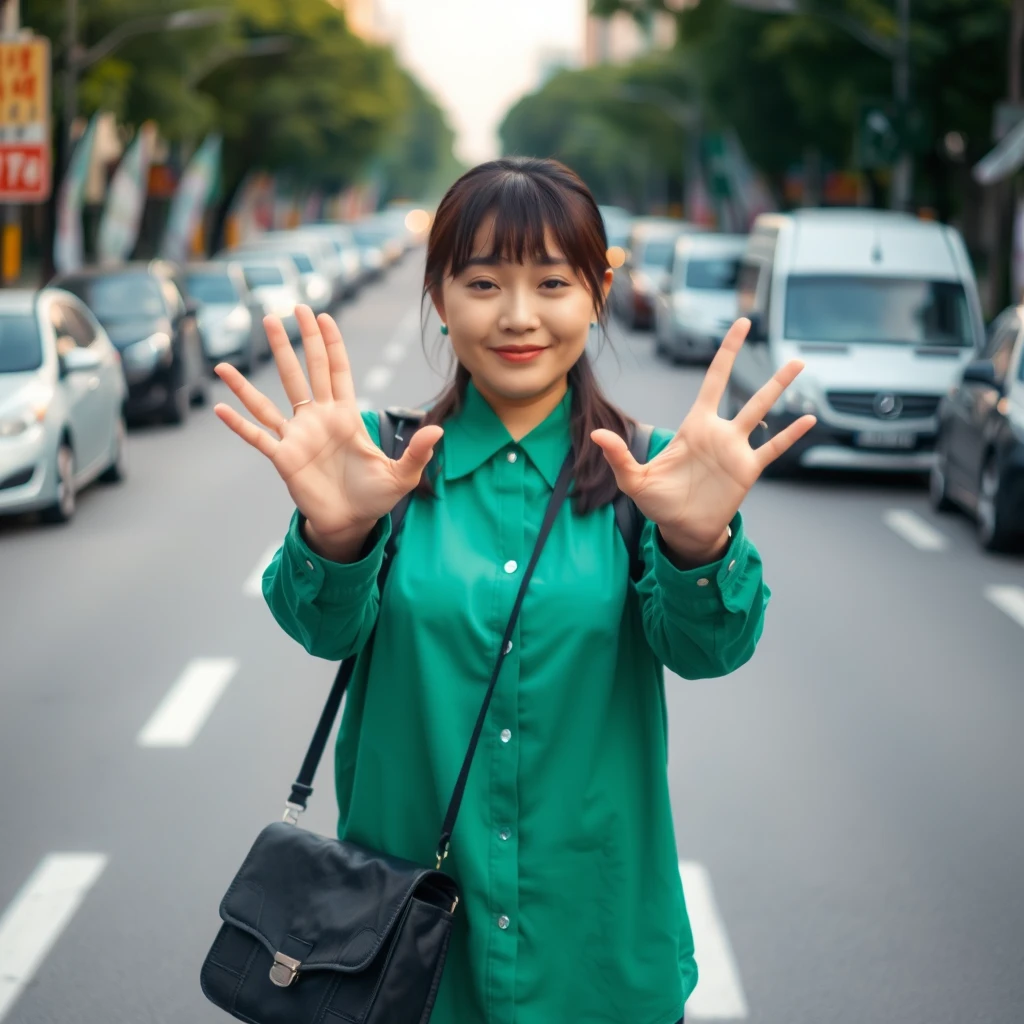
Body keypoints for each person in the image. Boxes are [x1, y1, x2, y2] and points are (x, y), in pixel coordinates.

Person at [212, 157, 815, 1024]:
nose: (519, 316)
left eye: (553, 282)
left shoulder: (649, 481)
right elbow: (322, 626)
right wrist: (336, 532)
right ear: (441, 292)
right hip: (396, 976)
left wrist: (697, 537)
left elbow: (710, 648)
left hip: (598, 967)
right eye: (485, 281)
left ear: (599, 293)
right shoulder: (386, 467)